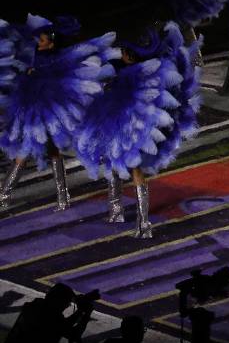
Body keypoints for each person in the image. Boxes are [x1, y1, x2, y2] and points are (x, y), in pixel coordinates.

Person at [75, 22, 202, 238]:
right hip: (113, 122)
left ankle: (142, 222)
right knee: (115, 165)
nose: (124, 54)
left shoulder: (141, 73)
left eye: (127, 52)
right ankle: (117, 211)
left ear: (132, 54)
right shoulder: (124, 68)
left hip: (130, 126)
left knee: (131, 169)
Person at [0, 15, 117, 211]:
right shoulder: (34, 57)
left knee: (41, 151)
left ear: (52, 41)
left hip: (50, 112)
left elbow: (63, 80)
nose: (39, 42)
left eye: (43, 39)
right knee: (32, 152)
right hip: (34, 111)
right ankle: (58, 198)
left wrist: (33, 75)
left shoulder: (56, 60)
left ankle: (13, 195)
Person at [0, 283, 91, 343]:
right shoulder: (51, 317)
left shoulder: (35, 306)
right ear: (59, 301)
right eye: (67, 302)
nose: (67, 306)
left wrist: (80, 311)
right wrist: (86, 314)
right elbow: (73, 334)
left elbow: (61, 324)